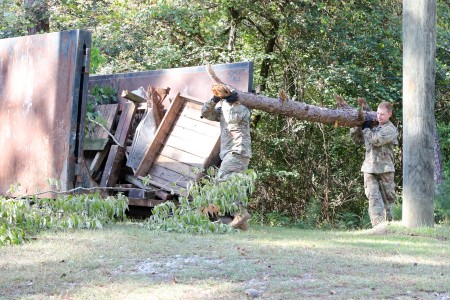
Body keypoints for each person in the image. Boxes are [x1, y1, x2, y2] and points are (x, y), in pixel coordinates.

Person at [201, 86, 252, 230]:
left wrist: (227, 103)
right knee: (231, 185)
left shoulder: (243, 109)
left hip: (238, 151)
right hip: (231, 153)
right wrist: (215, 99)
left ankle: (241, 213)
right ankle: (242, 225)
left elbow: (231, 119)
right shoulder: (225, 108)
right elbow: (205, 113)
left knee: (222, 182)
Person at [350, 101, 399, 227]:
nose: (379, 116)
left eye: (382, 114)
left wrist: (366, 129)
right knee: (373, 198)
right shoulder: (372, 126)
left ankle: (390, 226)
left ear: (389, 114)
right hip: (369, 167)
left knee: (388, 199)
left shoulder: (390, 129)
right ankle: (377, 227)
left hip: (385, 169)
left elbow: (376, 140)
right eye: (377, 113)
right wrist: (356, 126)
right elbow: (358, 140)